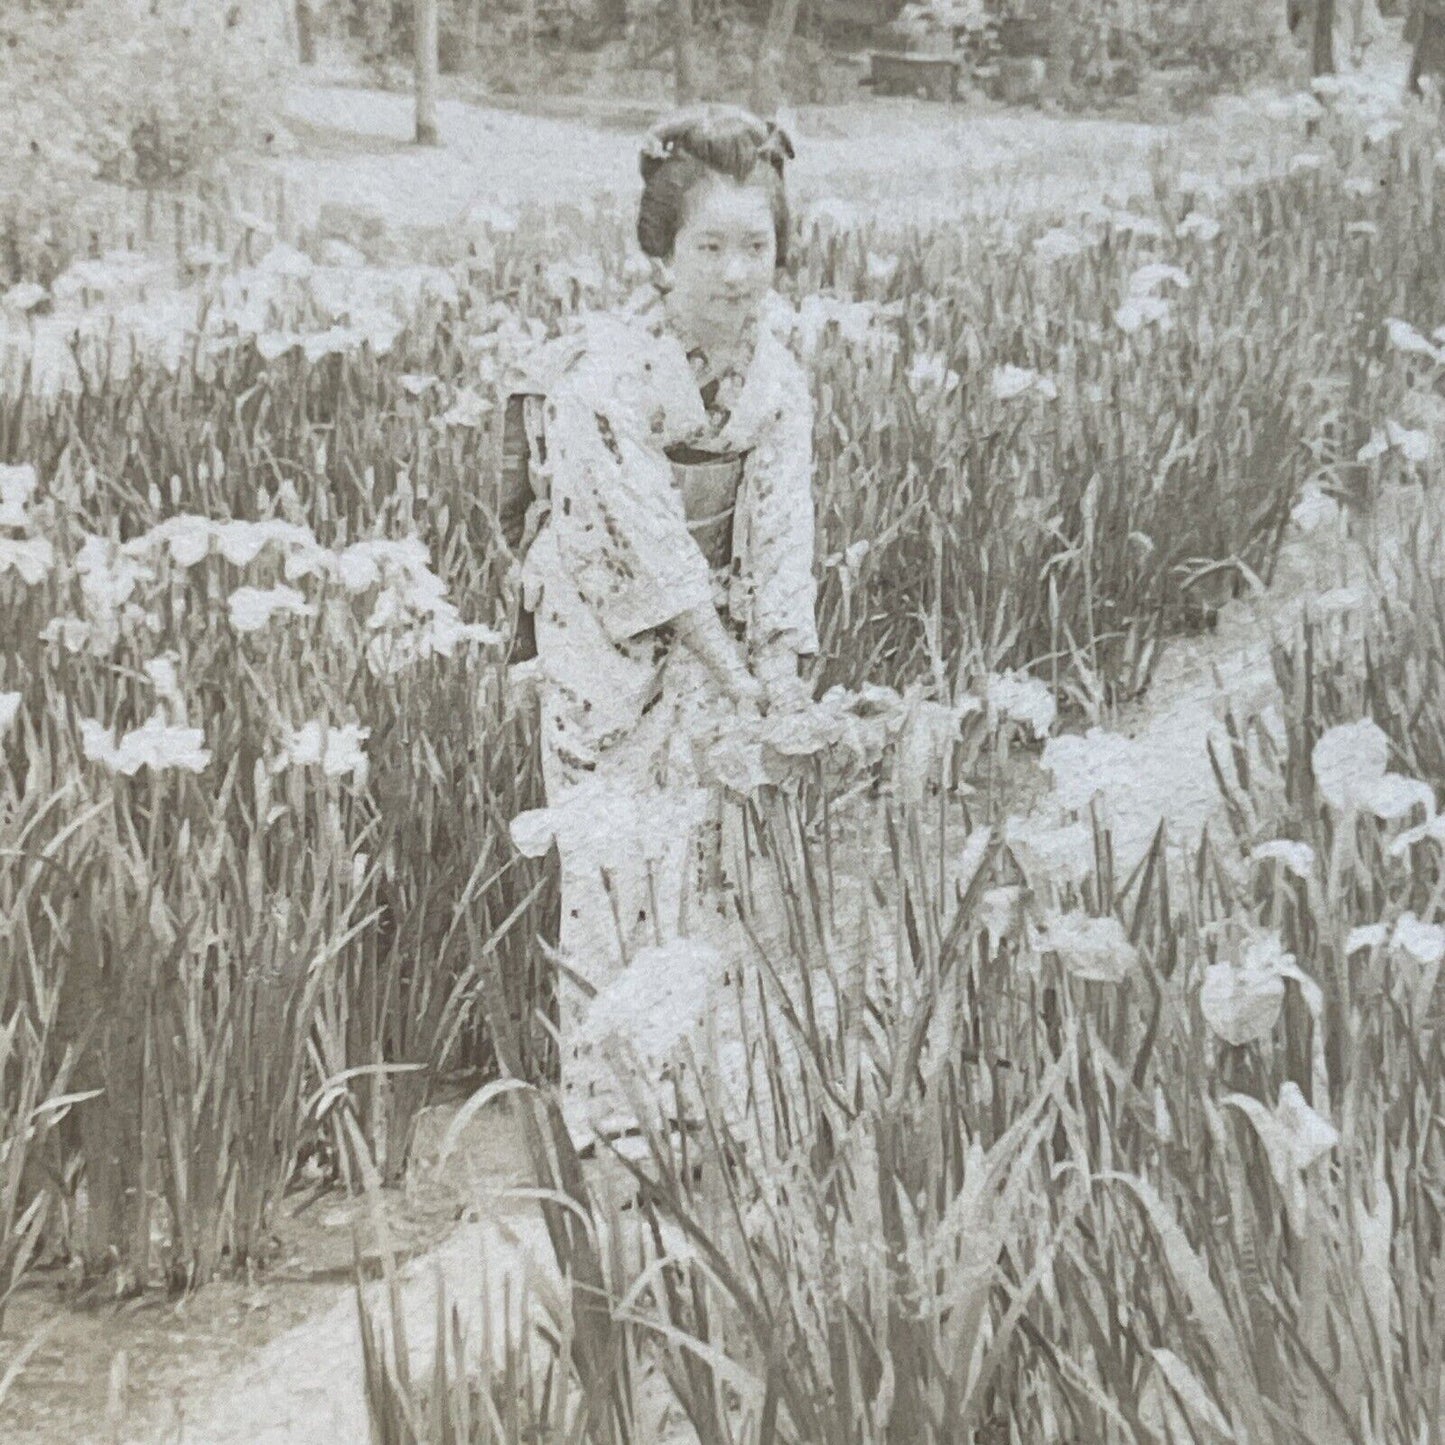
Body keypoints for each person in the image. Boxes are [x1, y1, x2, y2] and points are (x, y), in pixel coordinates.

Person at [509, 105, 820, 1159]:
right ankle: (607, 1111)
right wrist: (736, 672)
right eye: (709, 247)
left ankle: (686, 1086)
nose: (735, 273)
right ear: (661, 252)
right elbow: (649, 550)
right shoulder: (602, 378)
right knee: (611, 860)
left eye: (755, 247)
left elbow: (780, 529)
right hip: (608, 631)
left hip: (716, 629)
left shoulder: (777, 378)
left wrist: (781, 665)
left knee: (698, 861)